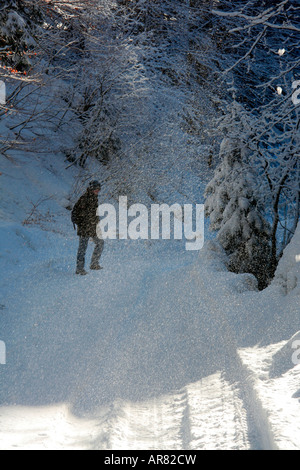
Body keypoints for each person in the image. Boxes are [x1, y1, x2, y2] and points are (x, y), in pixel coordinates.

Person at [71, 180, 104, 275]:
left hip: (93, 227)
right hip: (85, 228)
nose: (98, 190)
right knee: (82, 249)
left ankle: (94, 264)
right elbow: (76, 213)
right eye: (96, 188)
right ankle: (79, 269)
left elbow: (93, 213)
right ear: (92, 188)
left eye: (99, 188)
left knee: (100, 243)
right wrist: (82, 223)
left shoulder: (94, 198)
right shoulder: (84, 198)